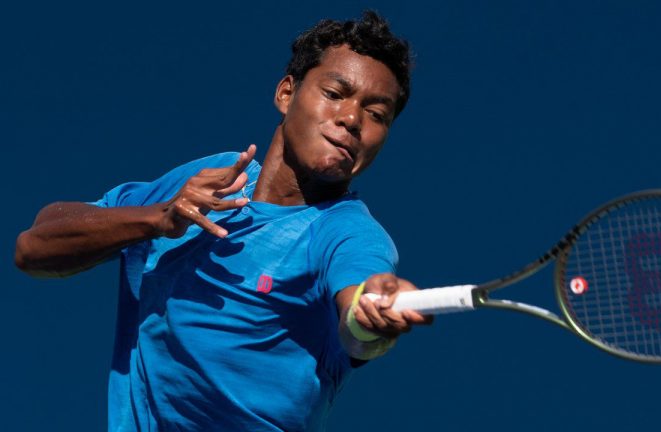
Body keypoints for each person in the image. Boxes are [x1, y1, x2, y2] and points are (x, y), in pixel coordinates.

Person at [15, 11, 430, 432]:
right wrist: (158, 218)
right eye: (336, 92)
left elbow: (358, 317)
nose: (352, 119)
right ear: (287, 94)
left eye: (377, 115)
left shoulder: (349, 234)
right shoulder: (211, 176)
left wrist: (370, 311)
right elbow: (34, 248)